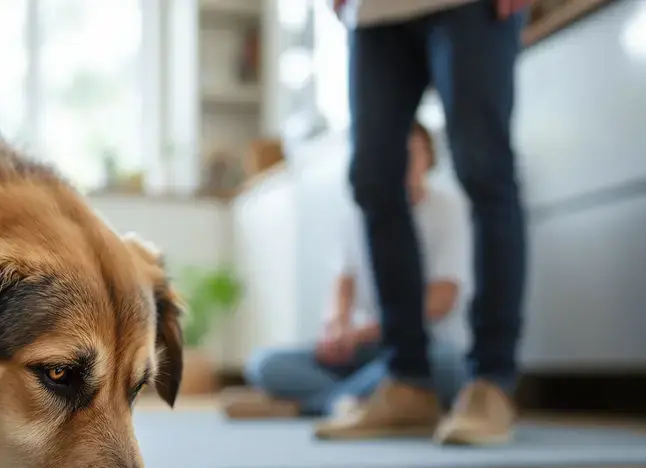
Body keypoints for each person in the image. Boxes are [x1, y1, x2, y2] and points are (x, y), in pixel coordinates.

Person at [313, 0, 531, 444]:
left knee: (484, 169)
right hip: (373, 12)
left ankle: (492, 380)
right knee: (373, 181)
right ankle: (407, 381)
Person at [226, 122, 470, 426]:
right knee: (264, 364)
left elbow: (440, 301)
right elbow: (343, 283)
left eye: (412, 152)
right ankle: (355, 401)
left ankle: (308, 406)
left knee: (446, 367)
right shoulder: (360, 213)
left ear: (429, 158)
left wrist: (363, 332)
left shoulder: (447, 209)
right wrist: (336, 328)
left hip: (423, 346)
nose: (402, 161)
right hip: (365, 350)